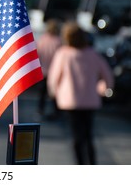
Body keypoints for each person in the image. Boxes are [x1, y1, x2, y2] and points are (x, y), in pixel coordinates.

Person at [47, 22, 114, 165]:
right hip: (90, 100)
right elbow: (107, 75)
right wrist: (105, 89)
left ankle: (80, 165)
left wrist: (53, 92)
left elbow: (54, 77)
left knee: (76, 137)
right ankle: (91, 163)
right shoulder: (93, 54)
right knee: (88, 135)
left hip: (70, 101)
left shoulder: (63, 54)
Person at [36, 19, 62, 119]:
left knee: (42, 93)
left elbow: (37, 54)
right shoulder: (59, 42)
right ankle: (57, 112)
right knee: (54, 93)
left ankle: (40, 110)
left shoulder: (42, 40)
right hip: (54, 72)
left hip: (43, 70)